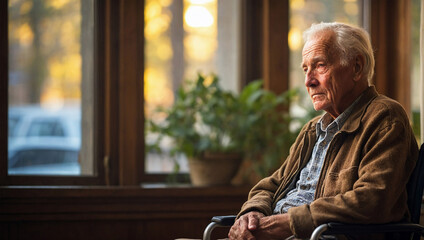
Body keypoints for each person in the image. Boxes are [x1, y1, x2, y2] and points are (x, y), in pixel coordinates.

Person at [228, 22, 419, 240]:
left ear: (356, 67)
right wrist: (252, 214)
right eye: (305, 69)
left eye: (320, 66)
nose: (309, 81)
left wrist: (290, 222)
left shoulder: (385, 118)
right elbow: (272, 185)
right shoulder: (312, 129)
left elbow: (372, 199)